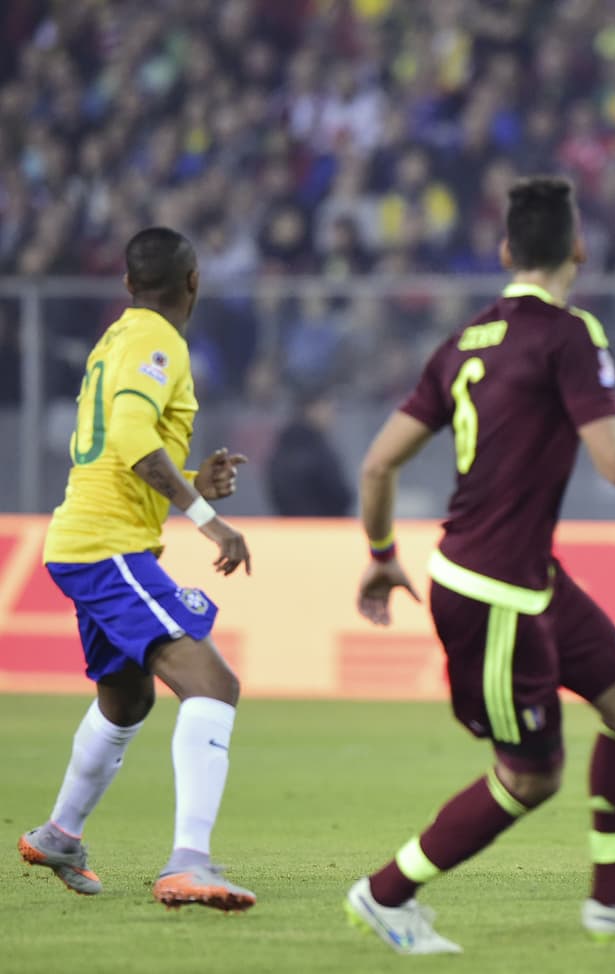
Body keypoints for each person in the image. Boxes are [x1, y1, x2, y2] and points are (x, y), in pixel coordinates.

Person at [346, 176, 615, 956]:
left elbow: (377, 466)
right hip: (493, 593)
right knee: (531, 777)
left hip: (526, 576)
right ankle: (384, 894)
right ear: (579, 250)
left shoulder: (462, 343)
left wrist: (384, 557)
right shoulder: (568, 335)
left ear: (504, 251)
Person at [19, 227, 256, 910]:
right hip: (107, 546)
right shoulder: (160, 339)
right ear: (194, 282)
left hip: (86, 539)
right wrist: (208, 519)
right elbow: (127, 438)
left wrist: (187, 480)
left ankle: (60, 833)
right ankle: (189, 862)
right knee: (213, 683)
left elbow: (119, 445)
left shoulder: (119, 337)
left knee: (127, 700)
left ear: (126, 285)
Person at [266, 388, 354, 516]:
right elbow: (340, 494)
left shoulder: (281, 447)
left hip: (288, 528)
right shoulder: (319, 449)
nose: (331, 414)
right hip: (324, 527)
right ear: (311, 410)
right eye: (327, 407)